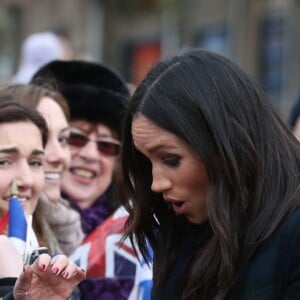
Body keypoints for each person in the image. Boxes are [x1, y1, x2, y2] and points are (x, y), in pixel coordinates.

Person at [120, 49, 300, 300]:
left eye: (170, 160)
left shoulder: (290, 234)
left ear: (224, 144)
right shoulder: (177, 230)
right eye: (146, 162)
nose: (156, 184)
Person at [31, 60, 137, 299]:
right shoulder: (20, 222)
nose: (90, 155)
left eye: (106, 145)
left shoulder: (141, 230)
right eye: (75, 138)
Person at [0, 102, 85, 299]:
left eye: (36, 162)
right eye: (3, 161)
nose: (27, 180)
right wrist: (9, 287)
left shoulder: (52, 266)